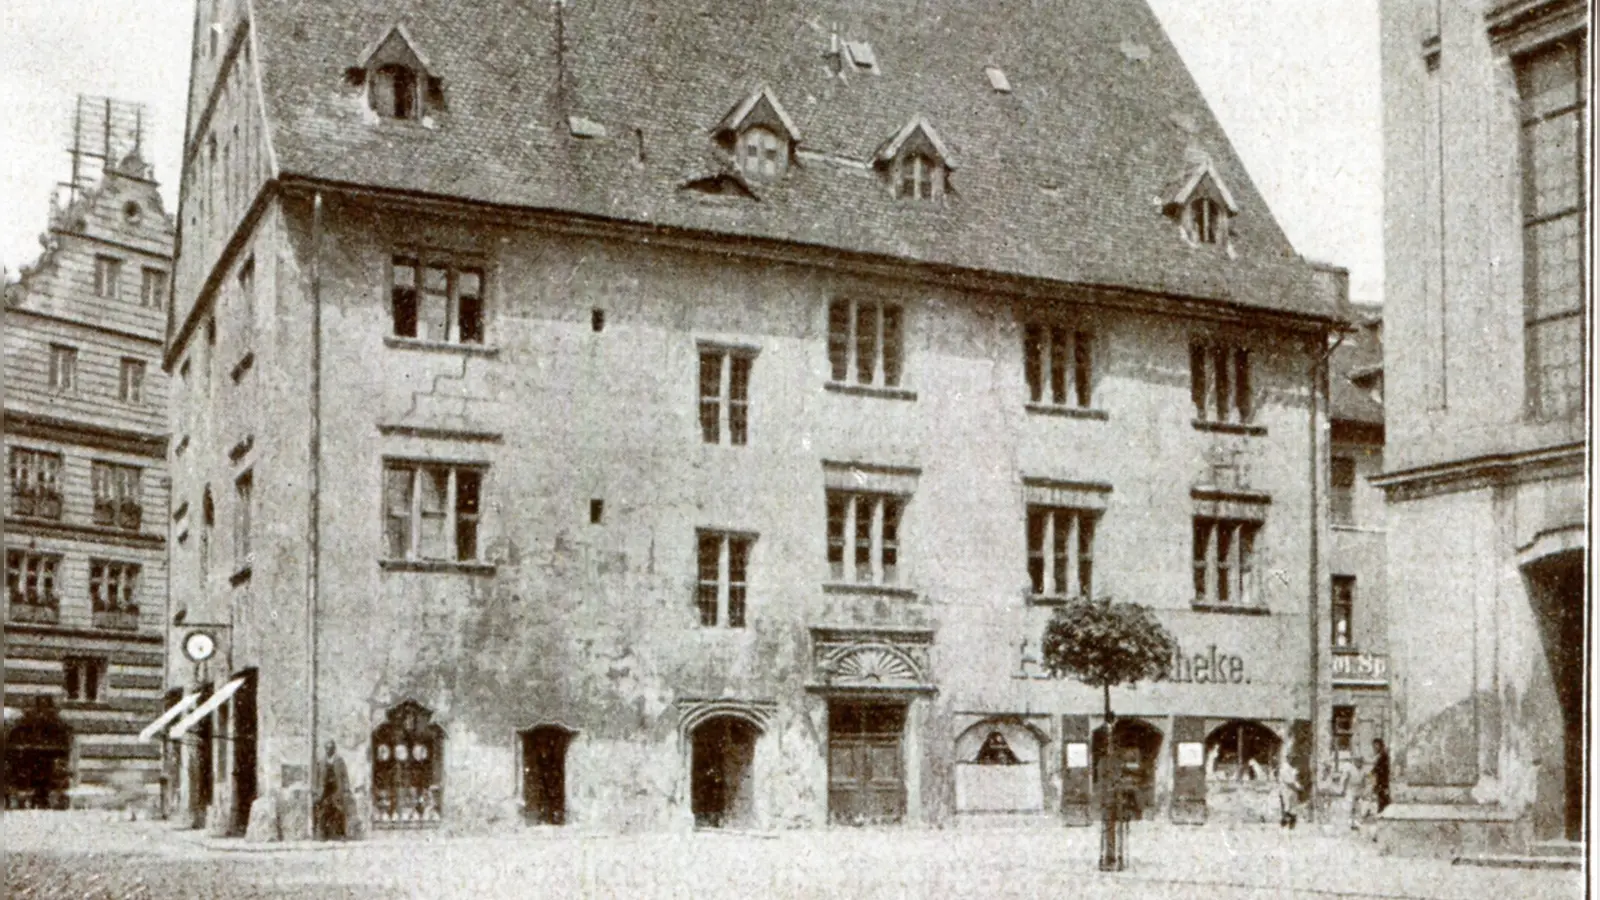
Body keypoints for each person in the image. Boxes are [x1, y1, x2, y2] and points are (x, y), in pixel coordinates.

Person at [316, 740, 350, 840]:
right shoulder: (321, 762)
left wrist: (346, 788)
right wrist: (317, 790)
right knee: (324, 811)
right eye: (327, 748)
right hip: (325, 790)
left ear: (334, 749)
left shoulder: (339, 760)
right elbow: (317, 776)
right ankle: (323, 834)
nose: (329, 750)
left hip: (336, 789)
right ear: (325, 749)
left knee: (339, 811)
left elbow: (345, 775)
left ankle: (342, 834)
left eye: (331, 748)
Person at [1276, 755, 1301, 829]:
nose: (1292, 759)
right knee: (1287, 810)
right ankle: (1283, 826)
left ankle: (1290, 827)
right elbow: (1288, 782)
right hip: (1286, 791)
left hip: (1292, 792)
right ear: (1287, 758)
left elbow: (1294, 780)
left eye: (1293, 758)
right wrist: (1297, 788)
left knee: (1292, 810)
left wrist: (1298, 787)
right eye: (1290, 758)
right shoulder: (1284, 768)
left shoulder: (1292, 769)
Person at [1371, 739, 1391, 814]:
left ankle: (1382, 813)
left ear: (1381, 745)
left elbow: (1381, 770)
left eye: (1377, 745)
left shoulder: (1383, 755)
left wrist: (1374, 772)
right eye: (1374, 746)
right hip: (1380, 782)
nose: (1375, 747)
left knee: (1383, 799)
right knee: (1381, 799)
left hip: (1382, 782)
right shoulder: (1379, 756)